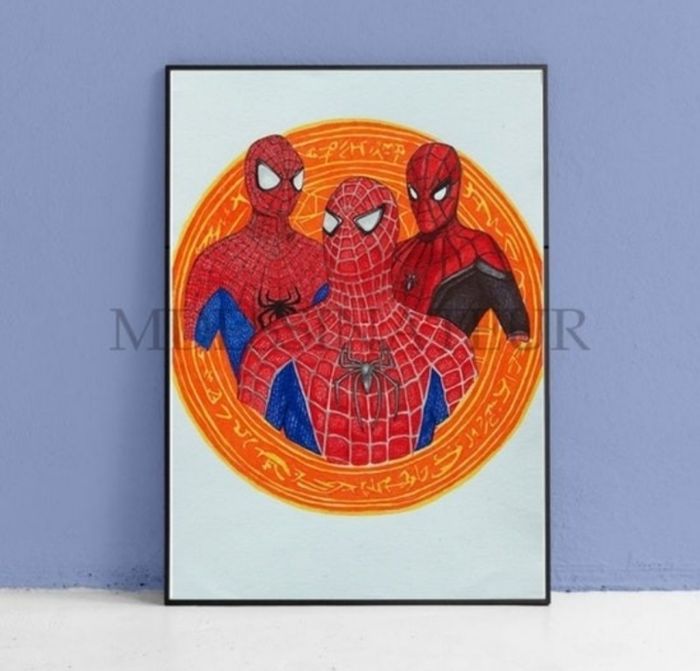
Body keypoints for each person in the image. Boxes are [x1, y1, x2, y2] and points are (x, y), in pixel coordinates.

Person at [239, 177, 477, 466]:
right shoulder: (273, 348)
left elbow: (461, 454)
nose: (345, 239)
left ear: (390, 231)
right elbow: (252, 453)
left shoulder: (446, 348)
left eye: (365, 223)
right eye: (333, 224)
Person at [183, 135, 328, 379]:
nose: (285, 191)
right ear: (251, 178)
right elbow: (193, 351)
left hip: (311, 387)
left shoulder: (319, 259)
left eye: (295, 179)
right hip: (247, 388)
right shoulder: (215, 262)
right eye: (271, 178)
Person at [393, 142, 530, 342]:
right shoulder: (398, 253)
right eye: (414, 194)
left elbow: (518, 329)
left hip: (448, 358)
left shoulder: (479, 249)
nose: (424, 206)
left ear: (455, 188)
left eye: (438, 193)